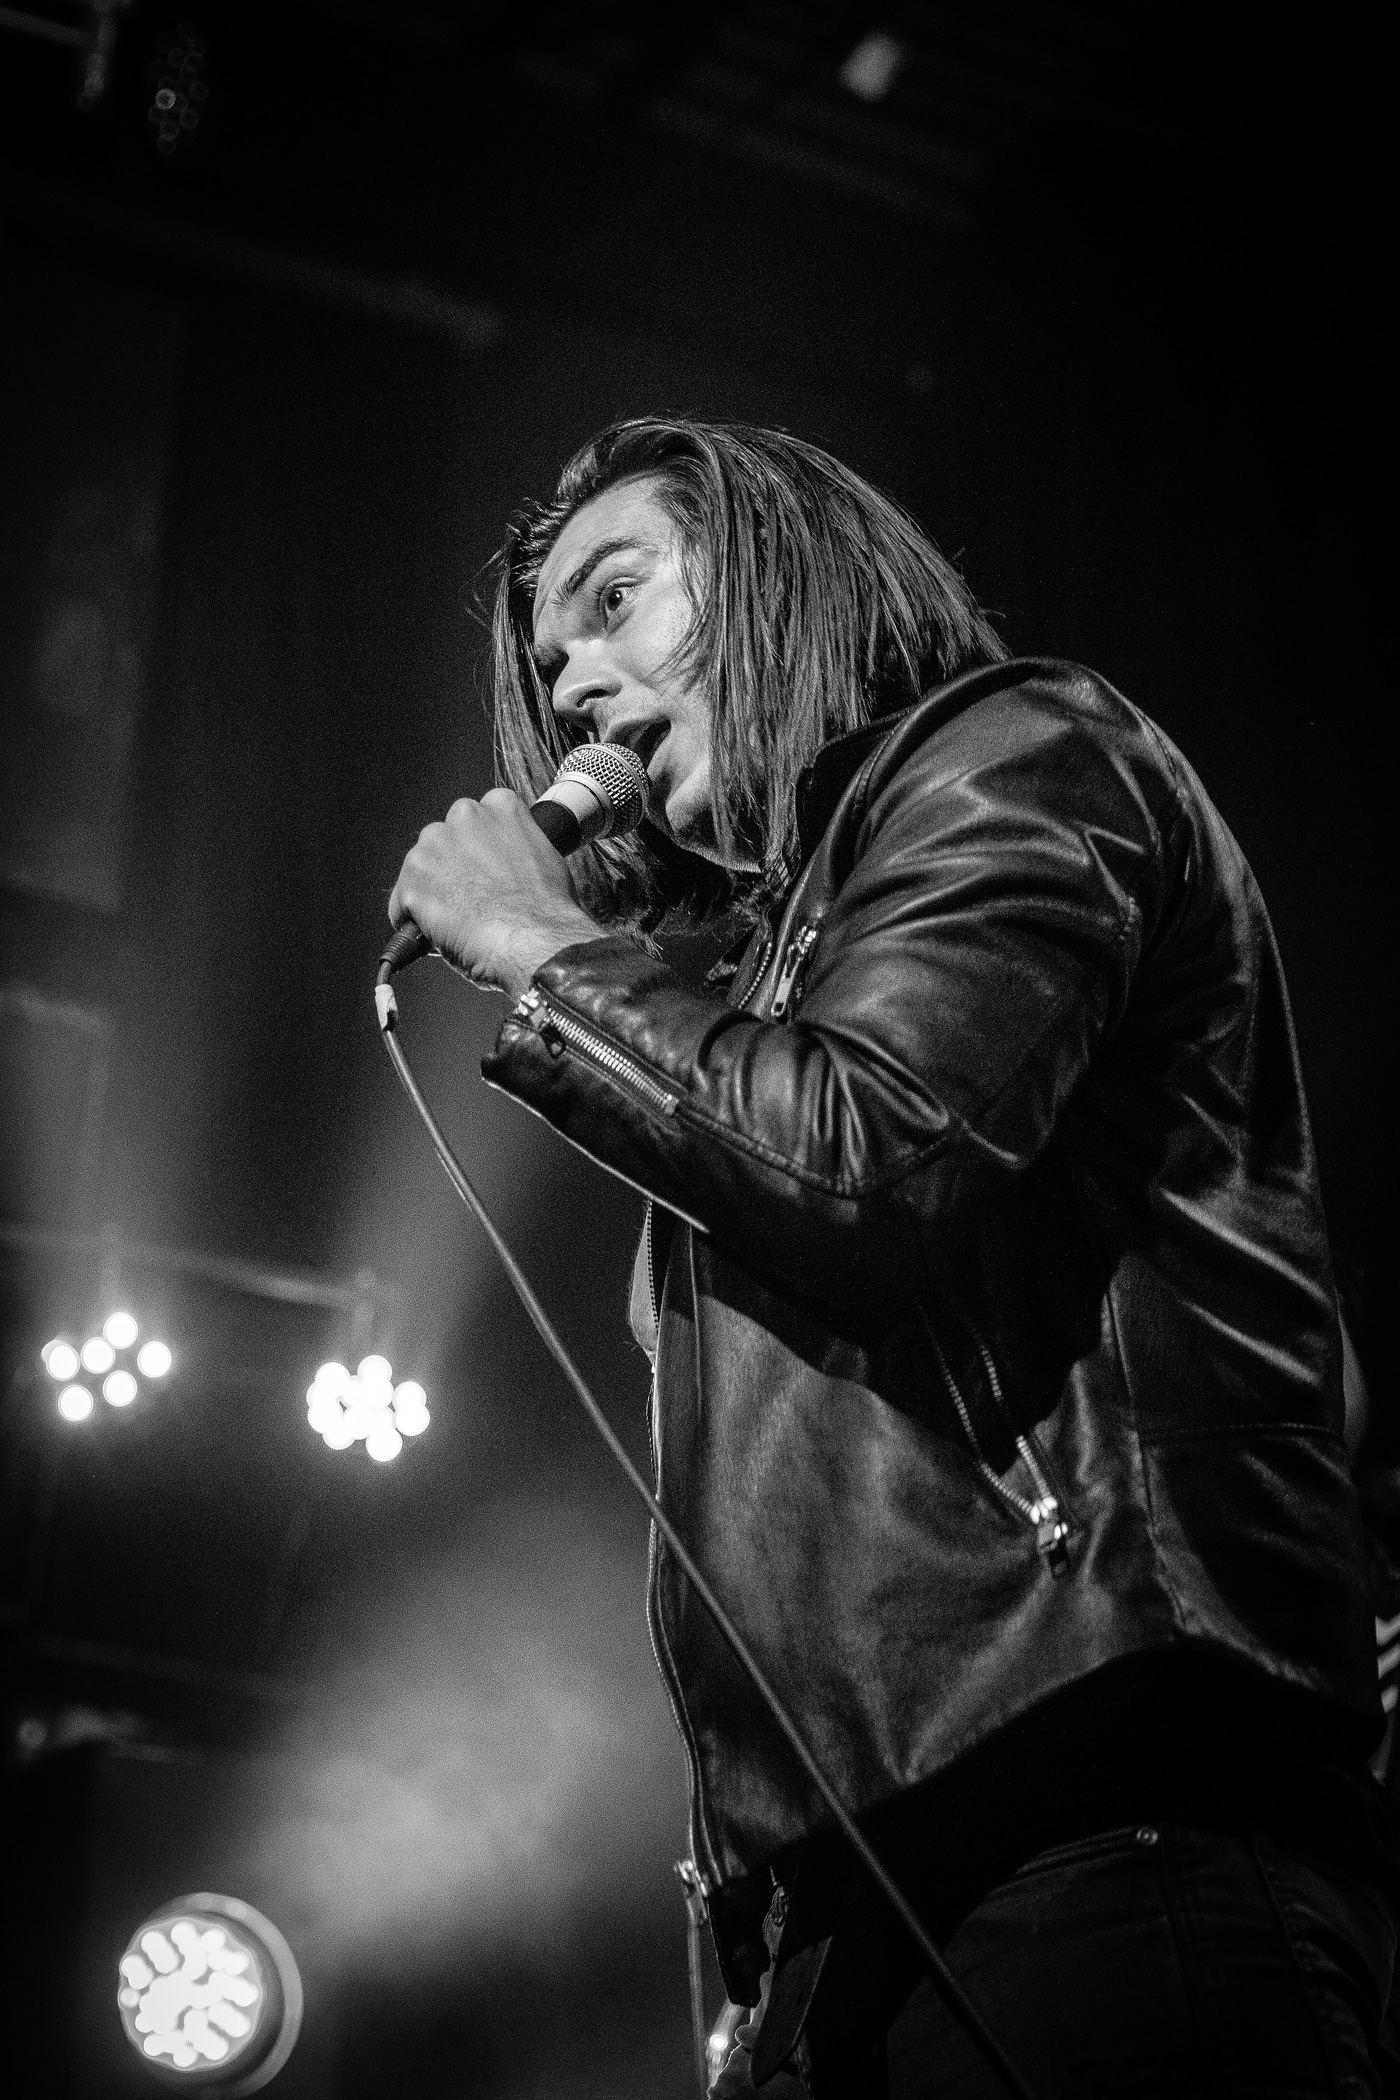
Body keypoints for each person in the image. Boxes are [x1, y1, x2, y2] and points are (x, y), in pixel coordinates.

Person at [388, 419, 1397, 2097]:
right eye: (550, 666)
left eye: (617, 600)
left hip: (1097, 1823)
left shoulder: (1025, 754)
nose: (576, 689)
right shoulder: (768, 979)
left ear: (780, 575)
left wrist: (542, 951)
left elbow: (863, 1163)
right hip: (854, 1910)